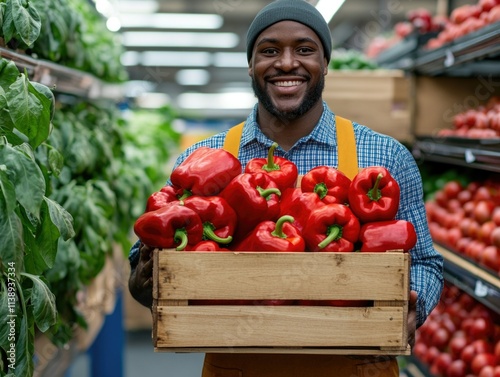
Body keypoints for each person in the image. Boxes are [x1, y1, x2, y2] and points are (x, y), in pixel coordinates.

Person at [128, 0, 444, 375]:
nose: (287, 63)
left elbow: (425, 263)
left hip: (357, 362)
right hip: (238, 364)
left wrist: (414, 306)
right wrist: (144, 281)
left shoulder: (386, 156)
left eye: (305, 50)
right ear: (251, 64)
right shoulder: (203, 157)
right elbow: (147, 263)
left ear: (325, 63)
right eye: (269, 51)